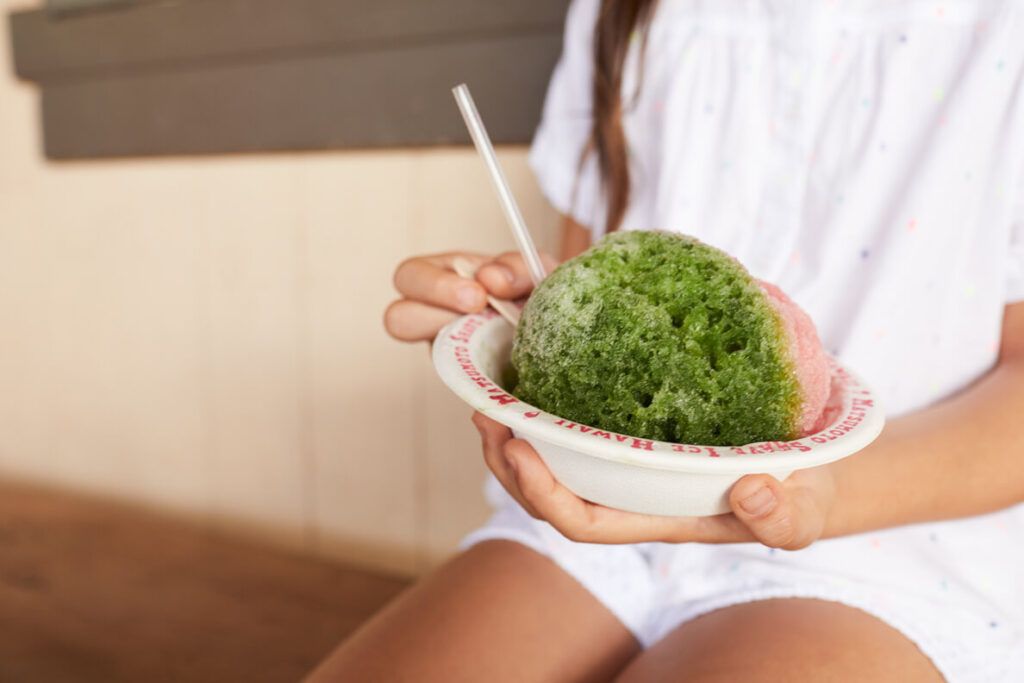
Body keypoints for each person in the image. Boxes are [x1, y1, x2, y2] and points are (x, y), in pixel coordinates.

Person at [310, 1, 1024, 680]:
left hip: (888, 544)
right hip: (601, 521)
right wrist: (513, 310)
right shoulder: (629, 12)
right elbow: (584, 267)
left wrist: (823, 493)